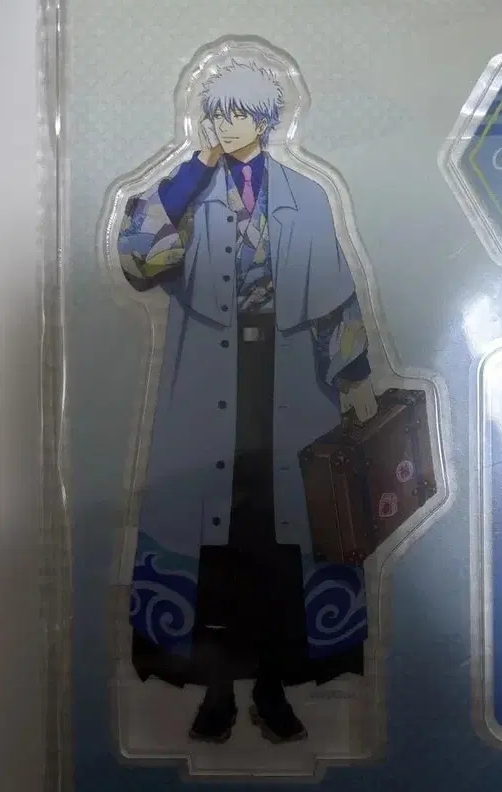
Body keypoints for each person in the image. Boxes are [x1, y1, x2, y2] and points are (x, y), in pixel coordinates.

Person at [117, 58, 376, 744]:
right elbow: (137, 257)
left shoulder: (306, 195)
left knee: (278, 536)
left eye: (236, 113)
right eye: (216, 113)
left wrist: (355, 382)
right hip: (207, 382)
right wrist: (193, 169)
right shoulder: (189, 194)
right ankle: (215, 691)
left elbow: (336, 298)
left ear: (264, 119)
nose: (224, 125)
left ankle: (271, 686)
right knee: (215, 539)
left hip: (289, 385)